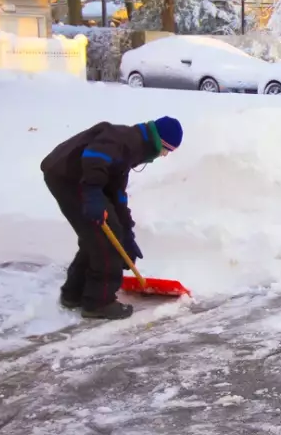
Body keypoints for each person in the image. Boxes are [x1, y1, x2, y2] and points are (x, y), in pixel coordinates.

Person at [40, 117, 183, 320]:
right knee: (105, 239)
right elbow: (94, 156)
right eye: (167, 150)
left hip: (71, 177)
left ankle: (74, 293)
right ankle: (99, 302)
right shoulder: (126, 139)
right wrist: (92, 193)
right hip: (70, 178)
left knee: (97, 235)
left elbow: (117, 194)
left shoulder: (134, 145)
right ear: (160, 143)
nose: (165, 155)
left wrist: (128, 235)